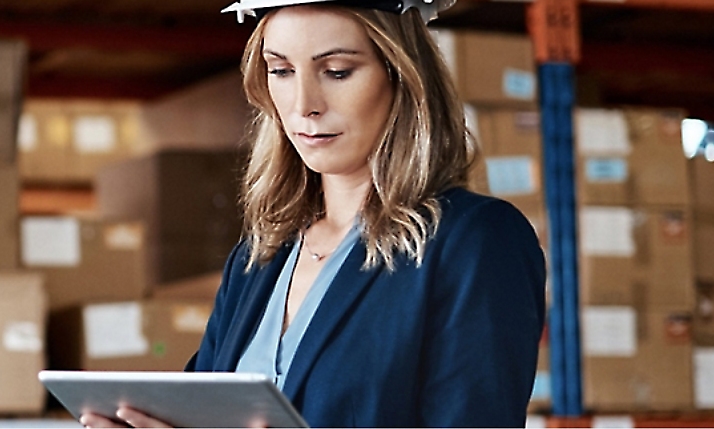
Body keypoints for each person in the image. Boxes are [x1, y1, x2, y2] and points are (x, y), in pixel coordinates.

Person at [81, 0, 546, 427]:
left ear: (402, 75)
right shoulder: (257, 259)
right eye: (281, 71)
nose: (305, 105)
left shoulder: (475, 241)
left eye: (338, 71)